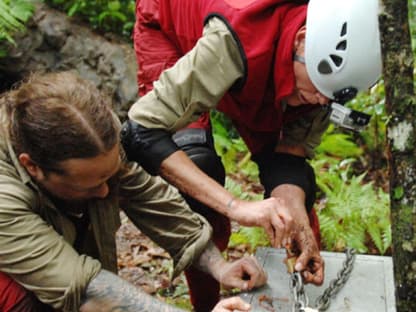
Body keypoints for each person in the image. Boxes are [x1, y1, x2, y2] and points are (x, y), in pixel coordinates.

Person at [121, 0, 382, 310]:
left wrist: (295, 210)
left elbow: (289, 157)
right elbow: (141, 131)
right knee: (198, 168)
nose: (322, 99)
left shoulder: (323, 75)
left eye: (332, 94)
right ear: (302, 40)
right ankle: (207, 303)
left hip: (262, 64)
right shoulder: (233, 40)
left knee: (297, 197)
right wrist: (237, 207)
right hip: (173, 31)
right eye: (320, 85)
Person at [0, 71, 267, 312]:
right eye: (91, 184)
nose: (105, 191)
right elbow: (80, 287)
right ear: (32, 166)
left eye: (108, 176)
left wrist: (219, 266)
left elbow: (149, 198)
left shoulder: (95, 136)